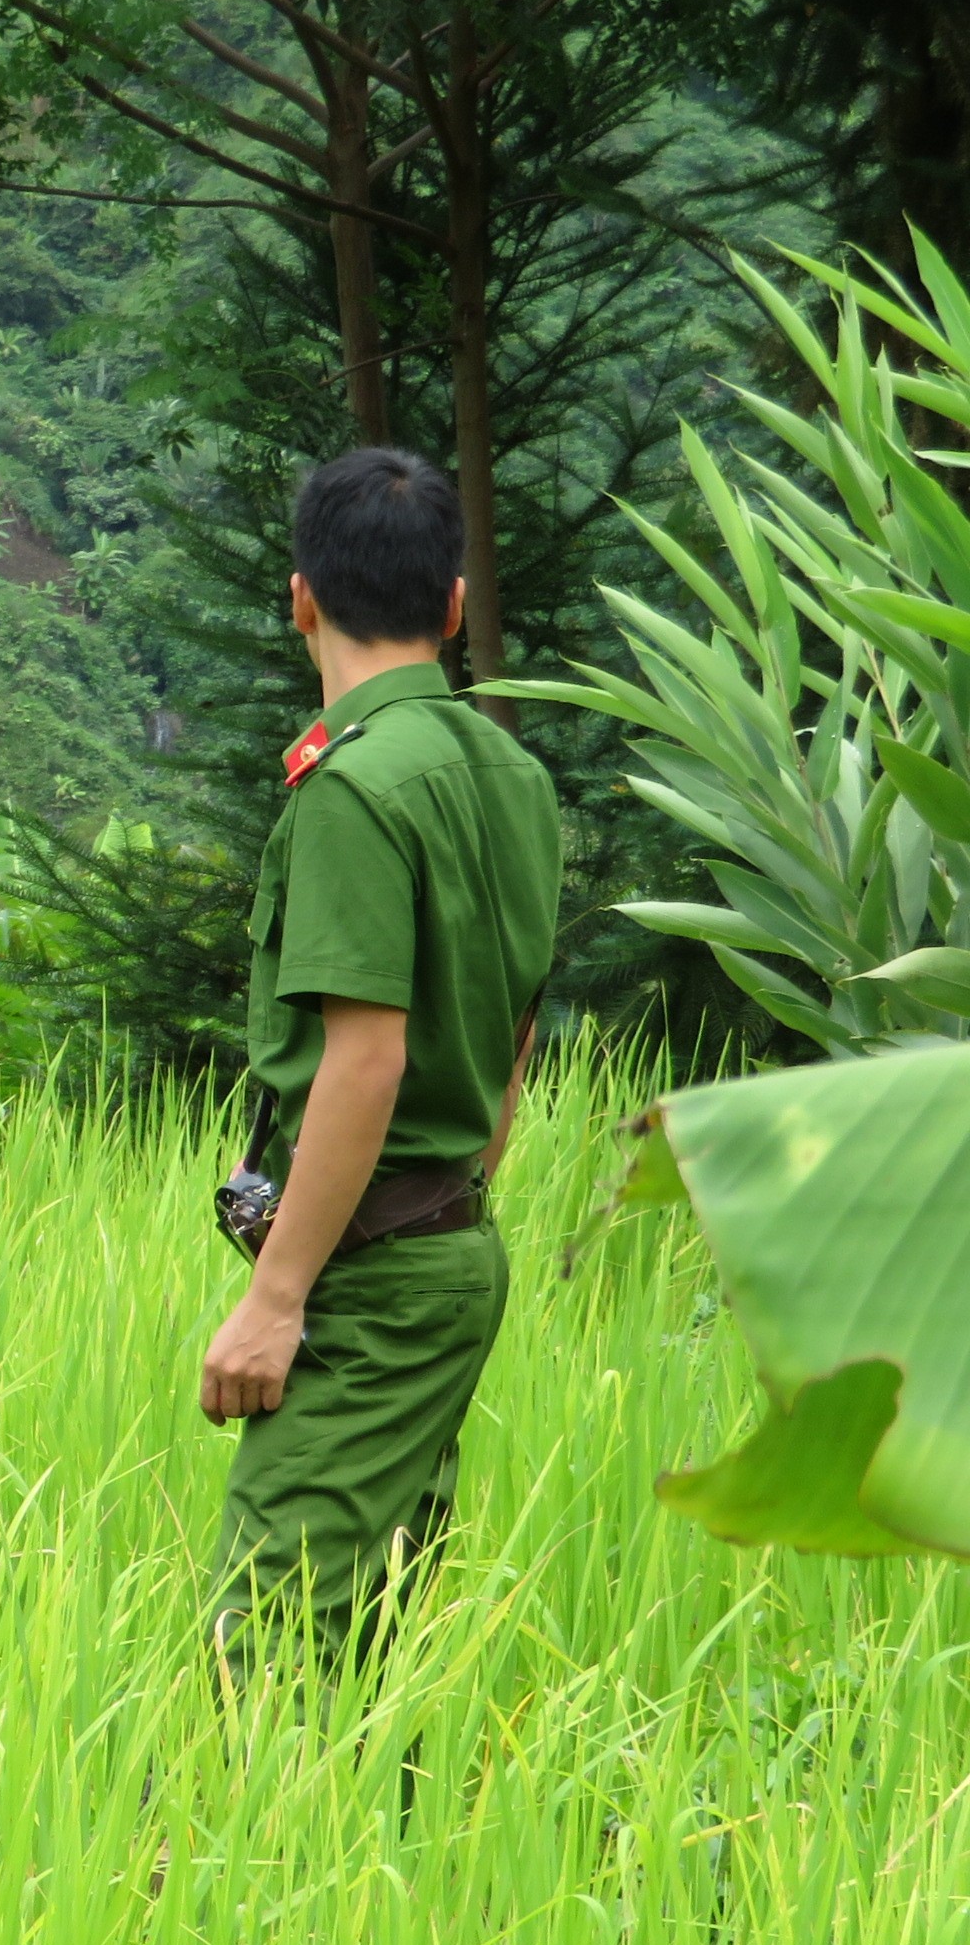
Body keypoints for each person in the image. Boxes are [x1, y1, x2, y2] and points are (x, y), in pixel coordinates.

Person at [196, 448, 560, 1679]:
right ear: (454, 607)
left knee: (269, 1647)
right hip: (454, 1250)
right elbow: (513, 1032)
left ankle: (242, 1869)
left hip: (374, 1279)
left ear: (300, 597)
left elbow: (364, 1062)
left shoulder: (351, 790)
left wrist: (279, 1294)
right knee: (368, 1648)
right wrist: (452, 1186)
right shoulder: (513, 776)